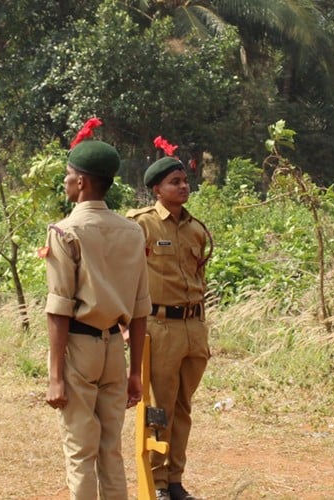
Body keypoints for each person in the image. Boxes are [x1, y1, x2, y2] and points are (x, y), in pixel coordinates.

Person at [44, 138, 151, 499]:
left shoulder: (65, 232)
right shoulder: (133, 231)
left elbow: (59, 308)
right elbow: (139, 310)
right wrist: (135, 371)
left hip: (78, 346)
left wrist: (56, 376)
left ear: (82, 183)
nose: (65, 182)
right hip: (113, 353)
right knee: (110, 449)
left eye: (68, 175)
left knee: (79, 450)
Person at [126, 156, 212, 500]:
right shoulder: (141, 226)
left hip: (193, 325)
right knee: (159, 407)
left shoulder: (195, 228)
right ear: (156, 190)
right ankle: (158, 482)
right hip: (159, 326)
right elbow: (126, 274)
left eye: (185, 180)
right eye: (174, 182)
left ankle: (176, 480)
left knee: (183, 407)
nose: (183, 186)